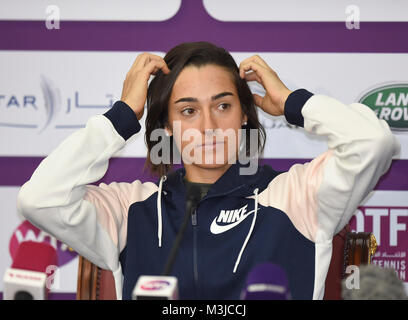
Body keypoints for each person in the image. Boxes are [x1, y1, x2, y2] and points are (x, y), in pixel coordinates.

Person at [17, 42, 400, 300]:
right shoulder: (130, 208)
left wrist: (291, 102)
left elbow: (373, 143)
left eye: (222, 106)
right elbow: (39, 198)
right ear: (165, 128)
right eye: (188, 110)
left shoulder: (296, 195)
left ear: (245, 115)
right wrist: (121, 117)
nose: (209, 127)